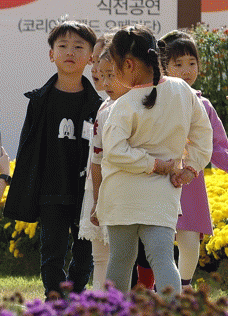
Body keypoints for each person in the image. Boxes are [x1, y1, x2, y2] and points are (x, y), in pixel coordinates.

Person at [96, 25, 213, 296]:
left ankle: (113, 315)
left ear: (128, 65)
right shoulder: (182, 91)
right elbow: (203, 133)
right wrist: (190, 168)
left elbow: (114, 151)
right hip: (162, 195)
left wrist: (152, 165)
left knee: (120, 259)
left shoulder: (124, 104)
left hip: (122, 197)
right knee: (163, 258)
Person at [3, 20, 102, 300]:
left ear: (91, 57)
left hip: (86, 191)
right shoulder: (39, 101)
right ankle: (54, 300)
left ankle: (76, 296)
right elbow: (29, 149)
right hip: (51, 189)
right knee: (51, 252)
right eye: (63, 46)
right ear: (51, 54)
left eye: (79, 47)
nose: (70, 52)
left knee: (84, 253)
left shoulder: (99, 105)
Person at [155, 30, 228, 288]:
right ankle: (159, 289)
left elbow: (217, 145)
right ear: (164, 67)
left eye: (192, 63)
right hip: (157, 179)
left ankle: (183, 287)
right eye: (178, 64)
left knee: (189, 243)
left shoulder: (203, 105)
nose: (186, 70)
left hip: (190, 181)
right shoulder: (153, 99)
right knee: (157, 241)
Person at [82, 38, 130, 290]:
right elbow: (96, 159)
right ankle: (102, 305)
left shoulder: (136, 106)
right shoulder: (104, 108)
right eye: (102, 75)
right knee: (100, 256)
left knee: (122, 257)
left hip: (125, 192)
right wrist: (97, 199)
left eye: (111, 74)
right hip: (102, 190)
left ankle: (118, 305)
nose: (106, 82)